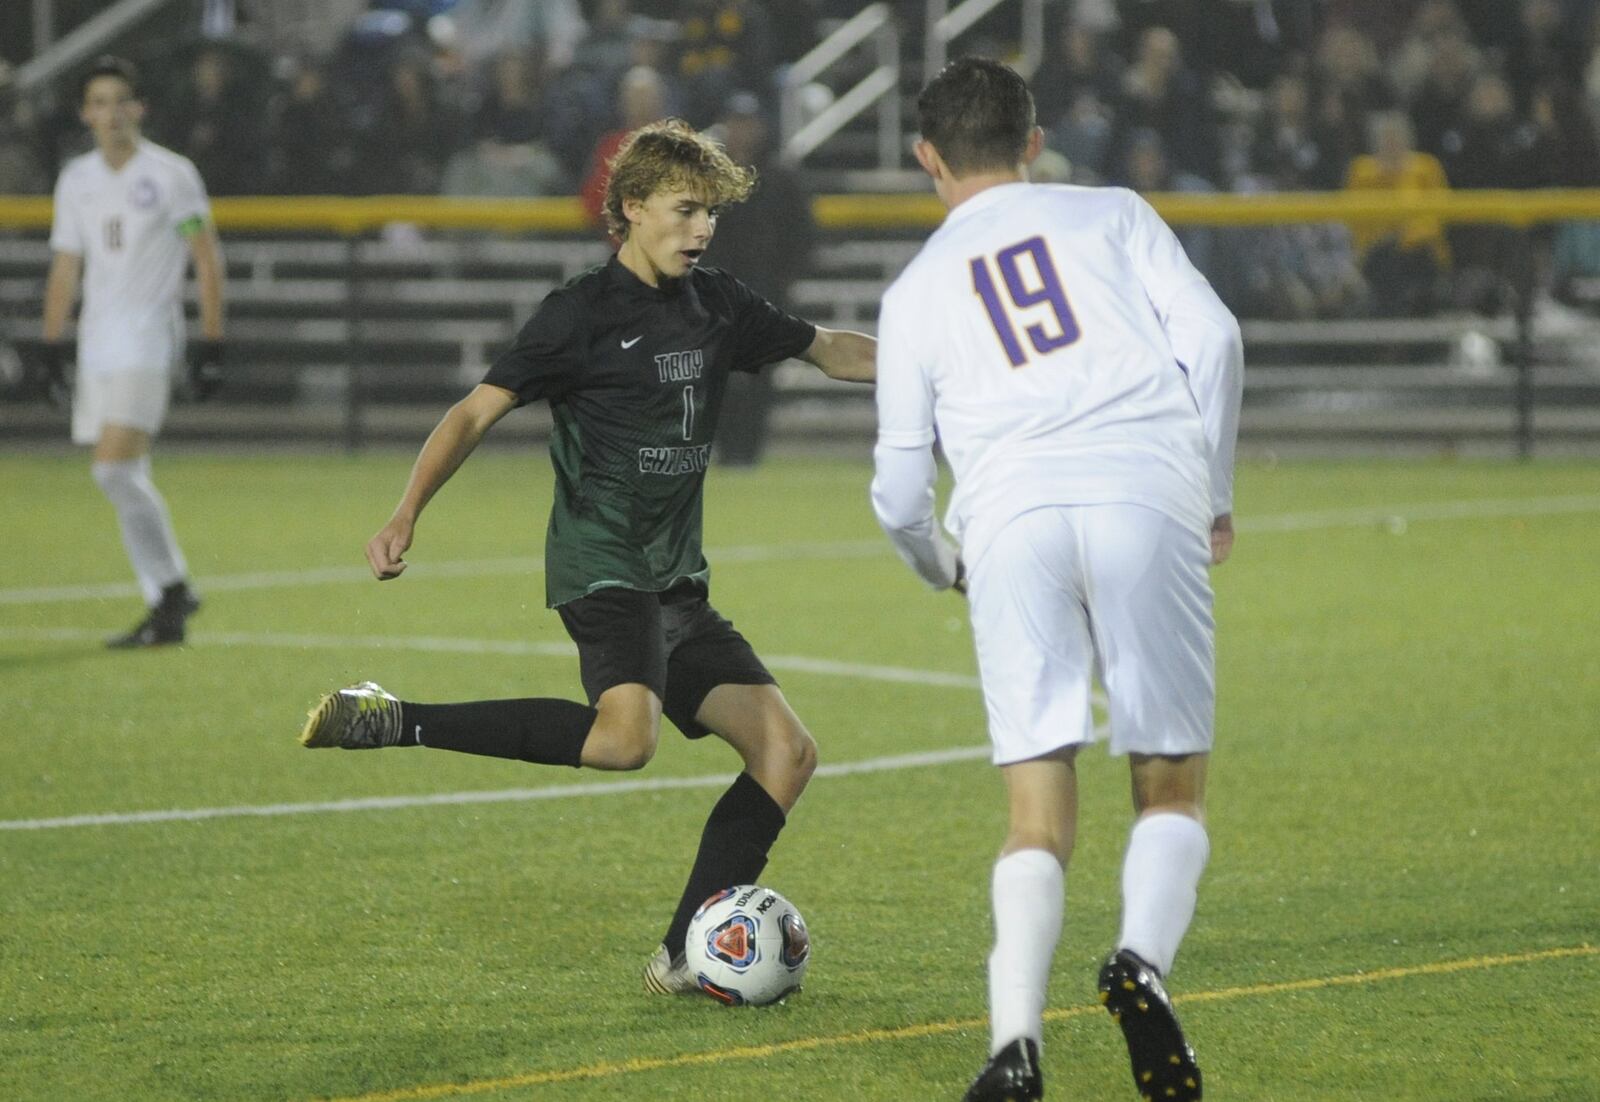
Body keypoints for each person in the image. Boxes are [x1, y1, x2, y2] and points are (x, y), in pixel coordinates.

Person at [297, 118, 876, 997]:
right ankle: (397, 718)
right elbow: (473, 413)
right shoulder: (578, 314)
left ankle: (684, 954)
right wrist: (406, 511)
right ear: (632, 209)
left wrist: (942, 366)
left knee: (787, 754)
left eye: (710, 213)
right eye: (685, 211)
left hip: (675, 578)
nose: (702, 229)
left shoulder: (719, 303)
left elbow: (829, 349)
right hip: (602, 562)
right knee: (623, 740)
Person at [870, 59, 1242, 1101]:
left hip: (1010, 516)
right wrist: (1208, 494)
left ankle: (1013, 1045)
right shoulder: (1112, 213)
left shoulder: (912, 294)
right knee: (1168, 782)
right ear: (1034, 142)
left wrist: (943, 563)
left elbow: (899, 489)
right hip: (1142, 488)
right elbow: (1212, 338)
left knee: (1035, 811)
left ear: (926, 158)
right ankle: (1138, 964)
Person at [39, 56, 226, 648]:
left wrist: (212, 339)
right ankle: (166, 604)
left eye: (122, 99)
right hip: (97, 341)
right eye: (99, 101)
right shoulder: (77, 179)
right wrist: (51, 345)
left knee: (113, 468)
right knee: (125, 474)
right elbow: (67, 266)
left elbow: (205, 257)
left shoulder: (170, 174)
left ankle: (171, 588)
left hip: (149, 335)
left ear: (139, 108)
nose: (111, 112)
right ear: (85, 113)